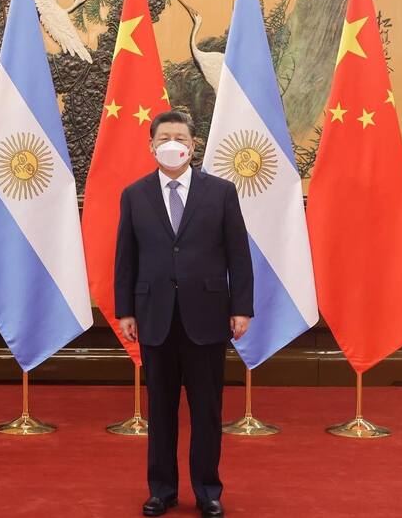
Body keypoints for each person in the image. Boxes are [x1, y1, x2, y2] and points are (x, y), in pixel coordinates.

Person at [115, 110, 254, 518]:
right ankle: (162, 490)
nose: (172, 144)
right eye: (164, 138)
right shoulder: (135, 195)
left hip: (207, 317)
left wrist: (241, 307)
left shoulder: (221, 192)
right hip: (154, 316)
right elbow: (126, 258)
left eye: (180, 138)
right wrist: (125, 311)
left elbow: (239, 254)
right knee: (160, 410)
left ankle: (207, 490)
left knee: (207, 410)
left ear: (193, 146)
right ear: (151, 146)